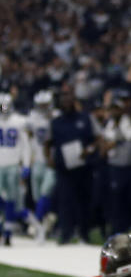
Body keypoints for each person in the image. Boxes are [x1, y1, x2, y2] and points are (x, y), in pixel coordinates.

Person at [50, 88, 98, 245]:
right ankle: (66, 234)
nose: (67, 102)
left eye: (69, 99)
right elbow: (47, 143)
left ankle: (84, 234)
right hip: (64, 169)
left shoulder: (85, 119)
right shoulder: (56, 122)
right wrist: (48, 158)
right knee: (65, 202)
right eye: (64, 99)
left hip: (83, 168)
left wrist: (88, 151)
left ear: (74, 101)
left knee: (84, 202)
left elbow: (96, 140)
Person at [98, 90, 131, 236]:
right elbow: (104, 145)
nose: (115, 111)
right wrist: (107, 144)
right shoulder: (109, 124)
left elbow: (128, 136)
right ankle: (117, 229)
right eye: (112, 109)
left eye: (117, 108)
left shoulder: (128, 121)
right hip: (115, 167)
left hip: (130, 166)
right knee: (116, 200)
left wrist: (114, 141)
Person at [0, 93, 36, 245]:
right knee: (6, 201)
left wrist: (26, 165)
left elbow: (26, 145)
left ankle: (8, 232)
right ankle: (15, 224)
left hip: (13, 165)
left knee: (11, 200)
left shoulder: (20, 121)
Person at [26, 90, 57, 242]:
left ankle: (36, 224)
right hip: (36, 160)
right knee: (37, 196)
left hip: (51, 162)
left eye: (45, 104)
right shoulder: (32, 117)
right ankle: (46, 222)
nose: (43, 107)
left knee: (46, 191)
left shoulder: (56, 117)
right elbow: (26, 136)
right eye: (41, 105)